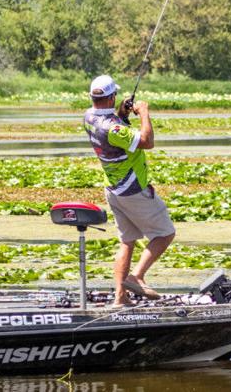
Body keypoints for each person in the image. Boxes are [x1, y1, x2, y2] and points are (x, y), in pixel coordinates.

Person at [83, 75, 176, 307]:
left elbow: (116, 127)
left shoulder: (89, 117)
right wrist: (143, 112)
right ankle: (137, 277)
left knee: (127, 242)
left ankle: (120, 297)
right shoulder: (112, 129)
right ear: (111, 96)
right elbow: (146, 141)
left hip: (114, 190)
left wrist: (122, 114)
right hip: (133, 190)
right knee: (164, 235)